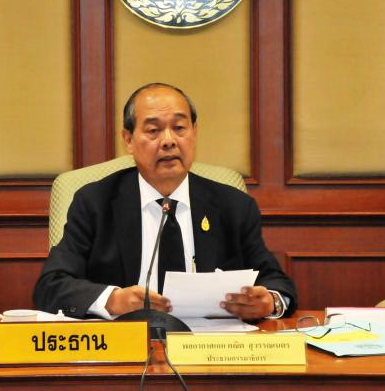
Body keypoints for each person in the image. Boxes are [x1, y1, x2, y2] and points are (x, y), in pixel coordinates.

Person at [33, 83, 297, 320]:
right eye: (153, 130)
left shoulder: (234, 206)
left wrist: (270, 302)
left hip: (209, 347)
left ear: (194, 132)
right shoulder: (95, 202)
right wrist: (113, 300)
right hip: (127, 344)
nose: (169, 141)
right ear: (128, 140)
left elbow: (278, 284)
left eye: (179, 128)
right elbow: (51, 285)